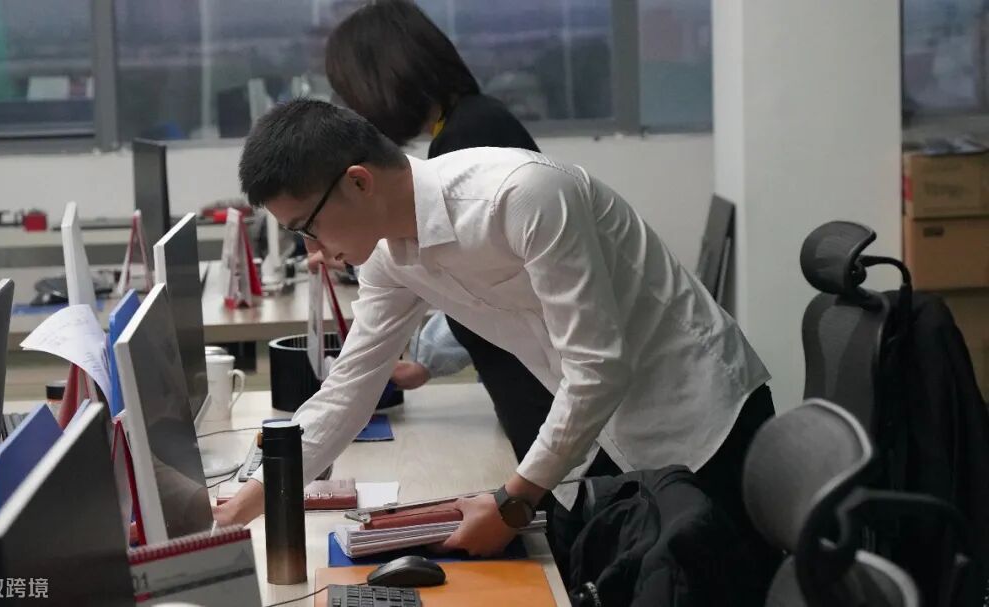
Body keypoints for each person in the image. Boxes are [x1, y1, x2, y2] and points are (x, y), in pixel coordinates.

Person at [214, 99, 774, 568]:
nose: (312, 248)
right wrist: (247, 502)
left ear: (359, 182)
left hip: (703, 415)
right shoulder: (388, 258)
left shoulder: (521, 196)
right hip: (608, 430)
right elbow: (348, 390)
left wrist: (513, 502)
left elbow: (598, 367)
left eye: (306, 227)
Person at [317, 0, 555, 464]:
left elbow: (479, 282)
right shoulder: (469, 123)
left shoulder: (468, 139)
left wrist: (428, 358)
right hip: (525, 386)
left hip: (538, 394)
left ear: (381, 79)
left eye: (351, 93)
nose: (355, 110)